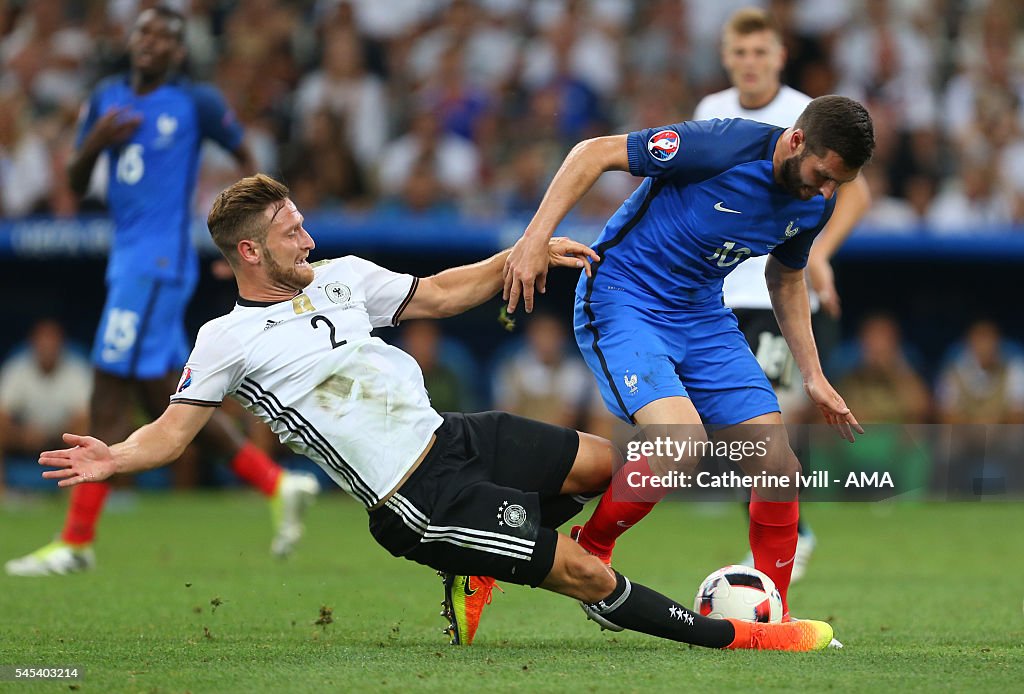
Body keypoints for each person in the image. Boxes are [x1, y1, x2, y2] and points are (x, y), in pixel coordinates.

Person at [38, 173, 837, 652]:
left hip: (456, 438)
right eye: (289, 232)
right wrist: (114, 456)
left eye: (301, 221)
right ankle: (752, 635)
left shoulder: (340, 275)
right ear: (249, 252)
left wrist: (523, 253)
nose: (306, 236)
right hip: (416, 498)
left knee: (612, 462)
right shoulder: (224, 338)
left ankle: (482, 565)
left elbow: (442, 293)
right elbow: (172, 432)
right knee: (585, 573)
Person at [502, 94, 875, 621]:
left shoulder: (816, 199)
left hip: (701, 314)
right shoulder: (718, 145)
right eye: (822, 173)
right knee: (679, 445)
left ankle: (774, 612)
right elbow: (591, 153)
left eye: (840, 183)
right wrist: (534, 239)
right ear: (796, 141)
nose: (827, 190)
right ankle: (592, 549)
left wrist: (813, 375)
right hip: (625, 297)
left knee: (778, 466)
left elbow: (787, 275)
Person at [5, 8, 318, 578]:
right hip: (129, 261)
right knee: (165, 398)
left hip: (156, 265)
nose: (151, 42)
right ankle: (277, 482)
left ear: (179, 52)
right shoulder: (105, 98)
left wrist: (256, 237)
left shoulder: (194, 102)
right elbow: (74, 183)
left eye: (166, 37)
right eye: (144, 31)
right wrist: (97, 140)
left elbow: (246, 156)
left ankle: (76, 541)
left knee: (106, 384)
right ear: (132, 39)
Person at [691, 7, 873, 581]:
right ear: (726, 57)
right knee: (726, 423)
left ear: (779, 57)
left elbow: (855, 194)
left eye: (760, 53)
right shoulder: (709, 111)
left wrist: (817, 253)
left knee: (766, 417)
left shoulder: (806, 114)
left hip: (777, 292)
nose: (750, 63)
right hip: (720, 294)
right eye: (740, 53)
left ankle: (788, 537)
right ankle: (788, 530)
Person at [0, 319, 91, 496]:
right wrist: (23, 433)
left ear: (61, 345)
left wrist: (61, 435)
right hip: (25, 436)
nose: (47, 347)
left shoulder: (76, 369)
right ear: (33, 344)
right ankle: (2, 493)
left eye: (52, 342)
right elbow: (3, 413)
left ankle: (75, 491)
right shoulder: (17, 367)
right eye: (43, 342)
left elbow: (83, 415)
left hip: (64, 439)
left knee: (85, 428)